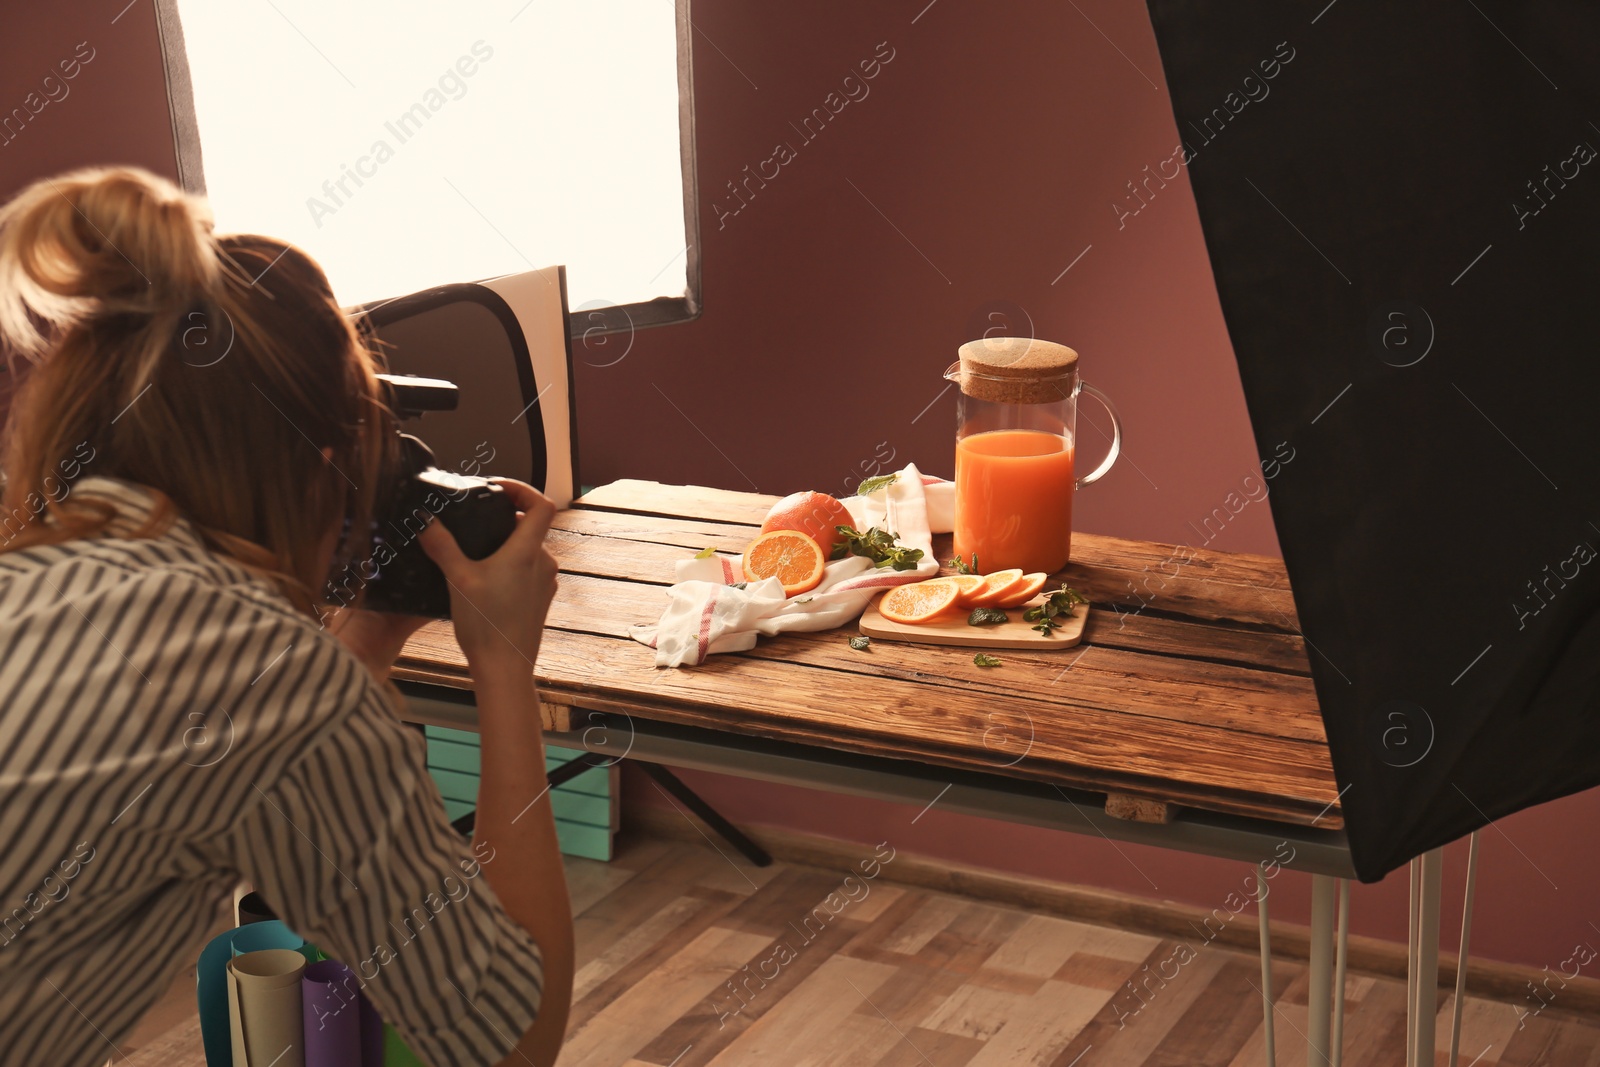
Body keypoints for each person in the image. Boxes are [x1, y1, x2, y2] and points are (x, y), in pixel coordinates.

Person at [0, 166, 572, 1067]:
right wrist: (502, 664)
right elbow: (510, 1039)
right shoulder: (269, 676)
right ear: (323, 466)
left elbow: (244, 759)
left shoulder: (34, 565)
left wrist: (372, 631)